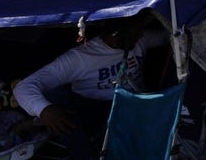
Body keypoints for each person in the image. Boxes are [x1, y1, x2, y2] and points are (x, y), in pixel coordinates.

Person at [13, 13, 169, 157]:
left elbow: (169, 36)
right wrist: (44, 109)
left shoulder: (140, 40)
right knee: (58, 101)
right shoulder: (81, 58)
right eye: (135, 32)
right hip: (95, 109)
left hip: (137, 103)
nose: (140, 35)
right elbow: (23, 87)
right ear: (116, 32)